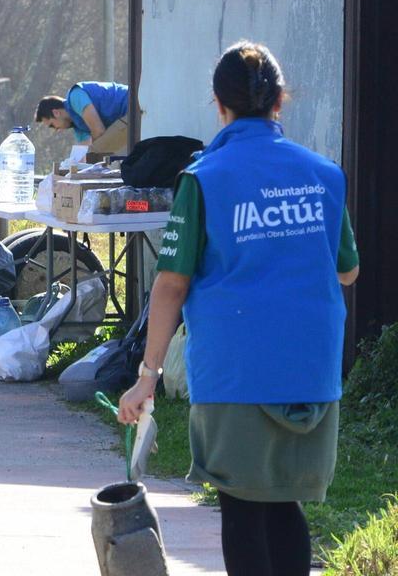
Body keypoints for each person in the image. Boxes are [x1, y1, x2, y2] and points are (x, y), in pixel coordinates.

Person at [118, 42, 359, 576]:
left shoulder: (205, 177)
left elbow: (171, 284)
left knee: (243, 507)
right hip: (311, 372)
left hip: (237, 373)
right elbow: (347, 271)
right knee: (284, 503)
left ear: (219, 103)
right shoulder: (324, 174)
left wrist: (146, 377)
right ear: (279, 101)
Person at [35, 81, 131, 154]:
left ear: (56, 113)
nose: (56, 129)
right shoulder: (78, 125)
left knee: (100, 151)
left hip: (132, 106)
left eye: (52, 125)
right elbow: (83, 152)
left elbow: (99, 131)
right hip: (125, 119)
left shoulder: (75, 96)